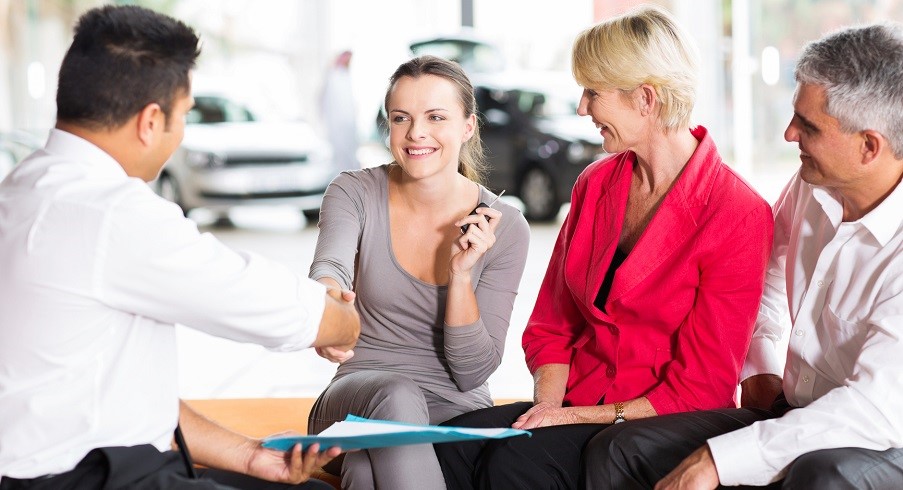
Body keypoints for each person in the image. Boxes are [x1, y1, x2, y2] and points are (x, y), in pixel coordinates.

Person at [0, 5, 360, 489]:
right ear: (151, 120)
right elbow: (277, 309)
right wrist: (341, 319)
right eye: (184, 115)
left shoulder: (20, 189)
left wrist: (251, 456)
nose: (181, 130)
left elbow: (114, 395)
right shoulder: (111, 212)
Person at [434, 6, 774, 489]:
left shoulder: (737, 212)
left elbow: (702, 385)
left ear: (646, 99)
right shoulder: (595, 184)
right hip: (576, 401)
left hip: (659, 419)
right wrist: (548, 408)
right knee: (443, 447)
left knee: (514, 465)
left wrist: (572, 419)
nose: (581, 108)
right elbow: (554, 323)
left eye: (593, 92)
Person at [583, 21, 903, 490]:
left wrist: (717, 462)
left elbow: (872, 410)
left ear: (869, 147)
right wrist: (762, 365)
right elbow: (766, 276)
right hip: (794, 412)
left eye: (808, 126)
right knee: (621, 449)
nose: (789, 134)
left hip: (881, 435)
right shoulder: (813, 187)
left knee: (825, 476)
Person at [306, 55, 530, 490]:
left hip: (455, 415)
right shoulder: (353, 191)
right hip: (355, 401)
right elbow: (329, 269)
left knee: (365, 470)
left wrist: (461, 275)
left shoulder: (505, 227)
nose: (416, 134)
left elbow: (471, 373)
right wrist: (327, 309)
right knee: (397, 396)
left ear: (467, 126)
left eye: (435, 117)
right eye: (400, 118)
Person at [319, 50, 360, 173]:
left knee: (349, 152)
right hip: (336, 123)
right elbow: (326, 102)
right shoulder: (332, 75)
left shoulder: (346, 76)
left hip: (348, 123)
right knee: (338, 153)